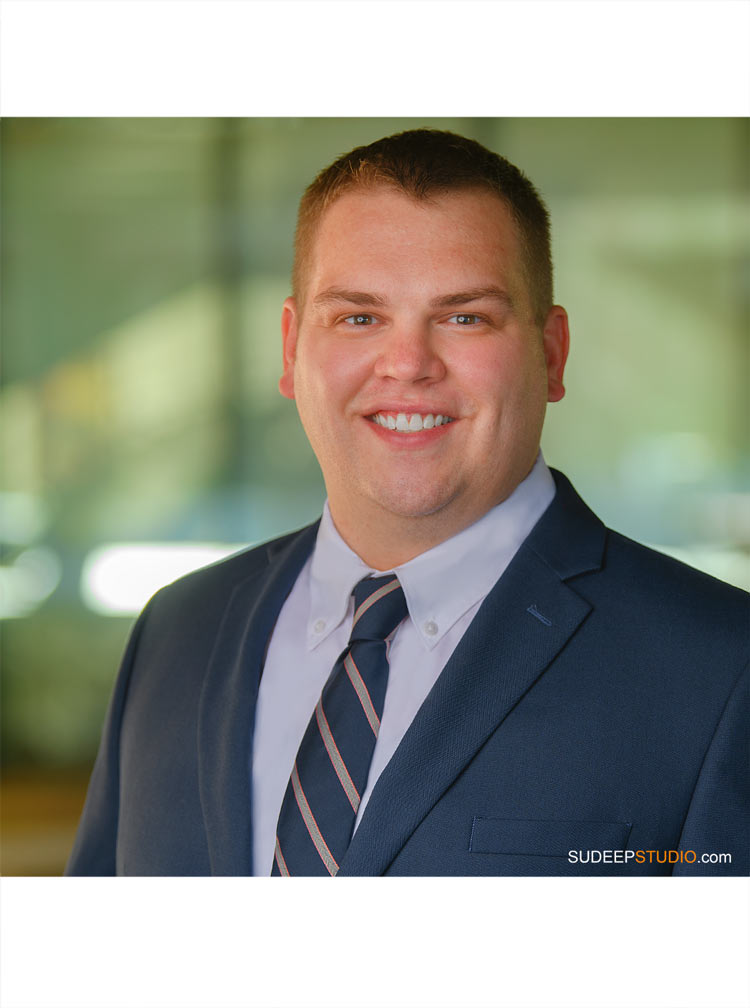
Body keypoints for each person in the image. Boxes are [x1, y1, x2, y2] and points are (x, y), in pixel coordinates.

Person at [66, 129, 748, 877]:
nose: (408, 364)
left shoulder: (720, 669)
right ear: (293, 348)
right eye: (359, 317)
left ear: (551, 354)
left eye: (465, 317)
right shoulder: (178, 631)